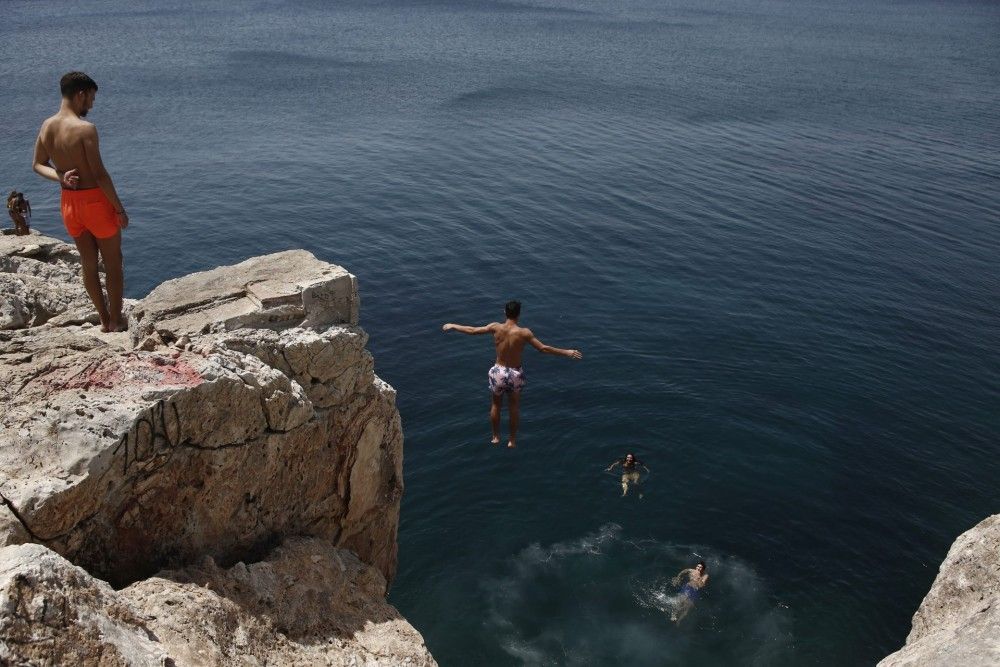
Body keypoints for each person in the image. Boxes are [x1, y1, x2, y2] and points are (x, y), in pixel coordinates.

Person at [33, 71, 129, 332]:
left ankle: (102, 317)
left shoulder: (47, 126)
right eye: (92, 98)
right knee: (113, 263)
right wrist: (119, 209)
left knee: (88, 262)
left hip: (69, 204)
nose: (92, 104)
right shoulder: (85, 129)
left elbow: (38, 165)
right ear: (81, 94)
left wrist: (61, 176)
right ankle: (116, 320)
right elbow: (98, 174)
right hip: (95, 203)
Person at [442, 300, 582, 448]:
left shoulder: (495, 327)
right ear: (519, 314)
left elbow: (473, 330)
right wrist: (566, 352)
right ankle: (512, 440)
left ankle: (495, 436)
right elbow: (543, 348)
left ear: (505, 312)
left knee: (496, 405)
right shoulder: (524, 333)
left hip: (498, 371)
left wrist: (453, 325)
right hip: (515, 373)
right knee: (513, 407)